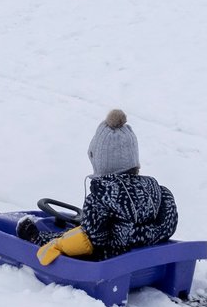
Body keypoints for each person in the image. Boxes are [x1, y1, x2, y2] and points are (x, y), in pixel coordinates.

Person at [17, 109, 178, 264]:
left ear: (100, 159)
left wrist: (45, 239)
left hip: (110, 262)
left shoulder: (102, 195)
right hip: (149, 258)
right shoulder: (157, 189)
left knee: (75, 240)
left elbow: (88, 240)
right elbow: (167, 226)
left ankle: (35, 238)